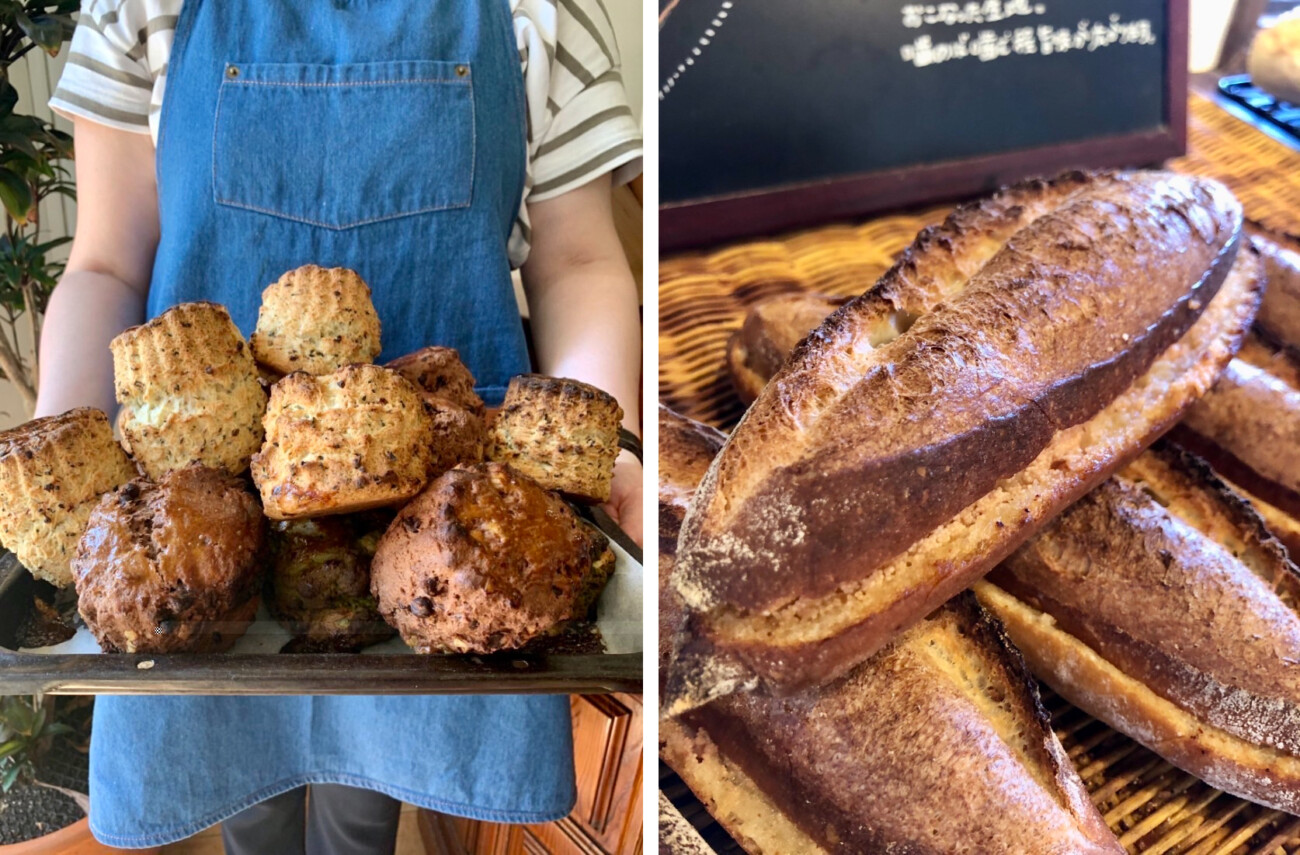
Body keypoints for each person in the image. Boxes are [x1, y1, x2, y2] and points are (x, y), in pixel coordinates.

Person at [38, 0, 643, 851]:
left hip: (455, 525)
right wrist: (54, 456)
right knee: (243, 785)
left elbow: (577, 260)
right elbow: (105, 262)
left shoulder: (544, 13)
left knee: (369, 802)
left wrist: (617, 457)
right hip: (199, 529)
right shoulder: (139, 9)